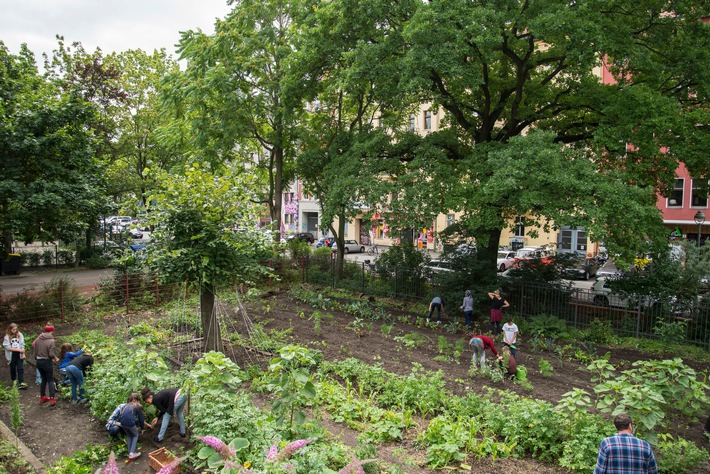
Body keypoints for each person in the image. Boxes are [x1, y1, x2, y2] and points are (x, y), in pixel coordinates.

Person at [120, 392, 153, 460]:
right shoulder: (137, 406)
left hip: (122, 423)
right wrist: (142, 428)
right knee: (135, 435)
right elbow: (141, 418)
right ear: (138, 399)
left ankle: (130, 452)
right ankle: (132, 453)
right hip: (129, 423)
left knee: (129, 436)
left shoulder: (126, 405)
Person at [34, 323, 59, 406]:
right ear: (51, 331)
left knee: (43, 379)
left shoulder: (38, 339)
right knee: (50, 380)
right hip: (46, 362)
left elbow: (35, 350)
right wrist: (55, 358)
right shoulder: (51, 341)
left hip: (38, 361)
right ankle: (52, 398)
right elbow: (51, 354)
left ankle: (42, 397)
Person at [3, 323, 27, 389]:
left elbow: (22, 345)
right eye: (13, 329)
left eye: (16, 329)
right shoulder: (7, 337)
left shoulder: (20, 335)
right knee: (13, 368)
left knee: (20, 368)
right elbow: (8, 347)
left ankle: (21, 381)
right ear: (10, 329)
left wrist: (23, 354)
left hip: (19, 355)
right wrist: (19, 350)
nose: (15, 331)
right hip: (12, 355)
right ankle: (14, 381)